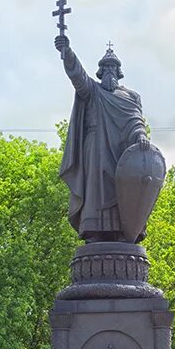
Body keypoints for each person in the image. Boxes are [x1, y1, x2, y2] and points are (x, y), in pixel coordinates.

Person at [54, 34, 149, 242]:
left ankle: (125, 231)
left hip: (121, 153)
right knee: (95, 191)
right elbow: (77, 76)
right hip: (96, 149)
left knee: (123, 191)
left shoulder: (131, 97)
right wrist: (67, 53)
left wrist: (141, 135)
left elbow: (135, 120)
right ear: (100, 71)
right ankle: (94, 231)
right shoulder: (93, 90)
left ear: (118, 71)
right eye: (105, 68)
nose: (109, 71)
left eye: (112, 68)